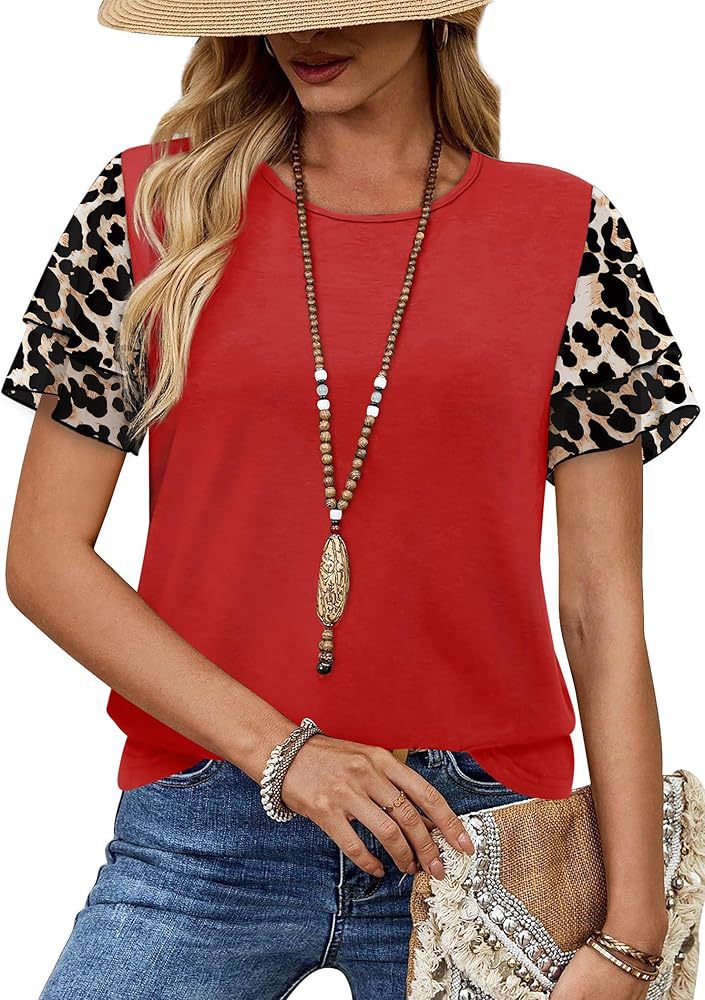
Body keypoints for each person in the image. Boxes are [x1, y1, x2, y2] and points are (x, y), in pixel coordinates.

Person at [3, 2, 700, 998]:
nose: (305, 32)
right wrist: (286, 755)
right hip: (207, 816)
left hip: (481, 831)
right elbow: (43, 558)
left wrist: (634, 925)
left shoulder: (571, 233)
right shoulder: (148, 210)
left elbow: (601, 607)